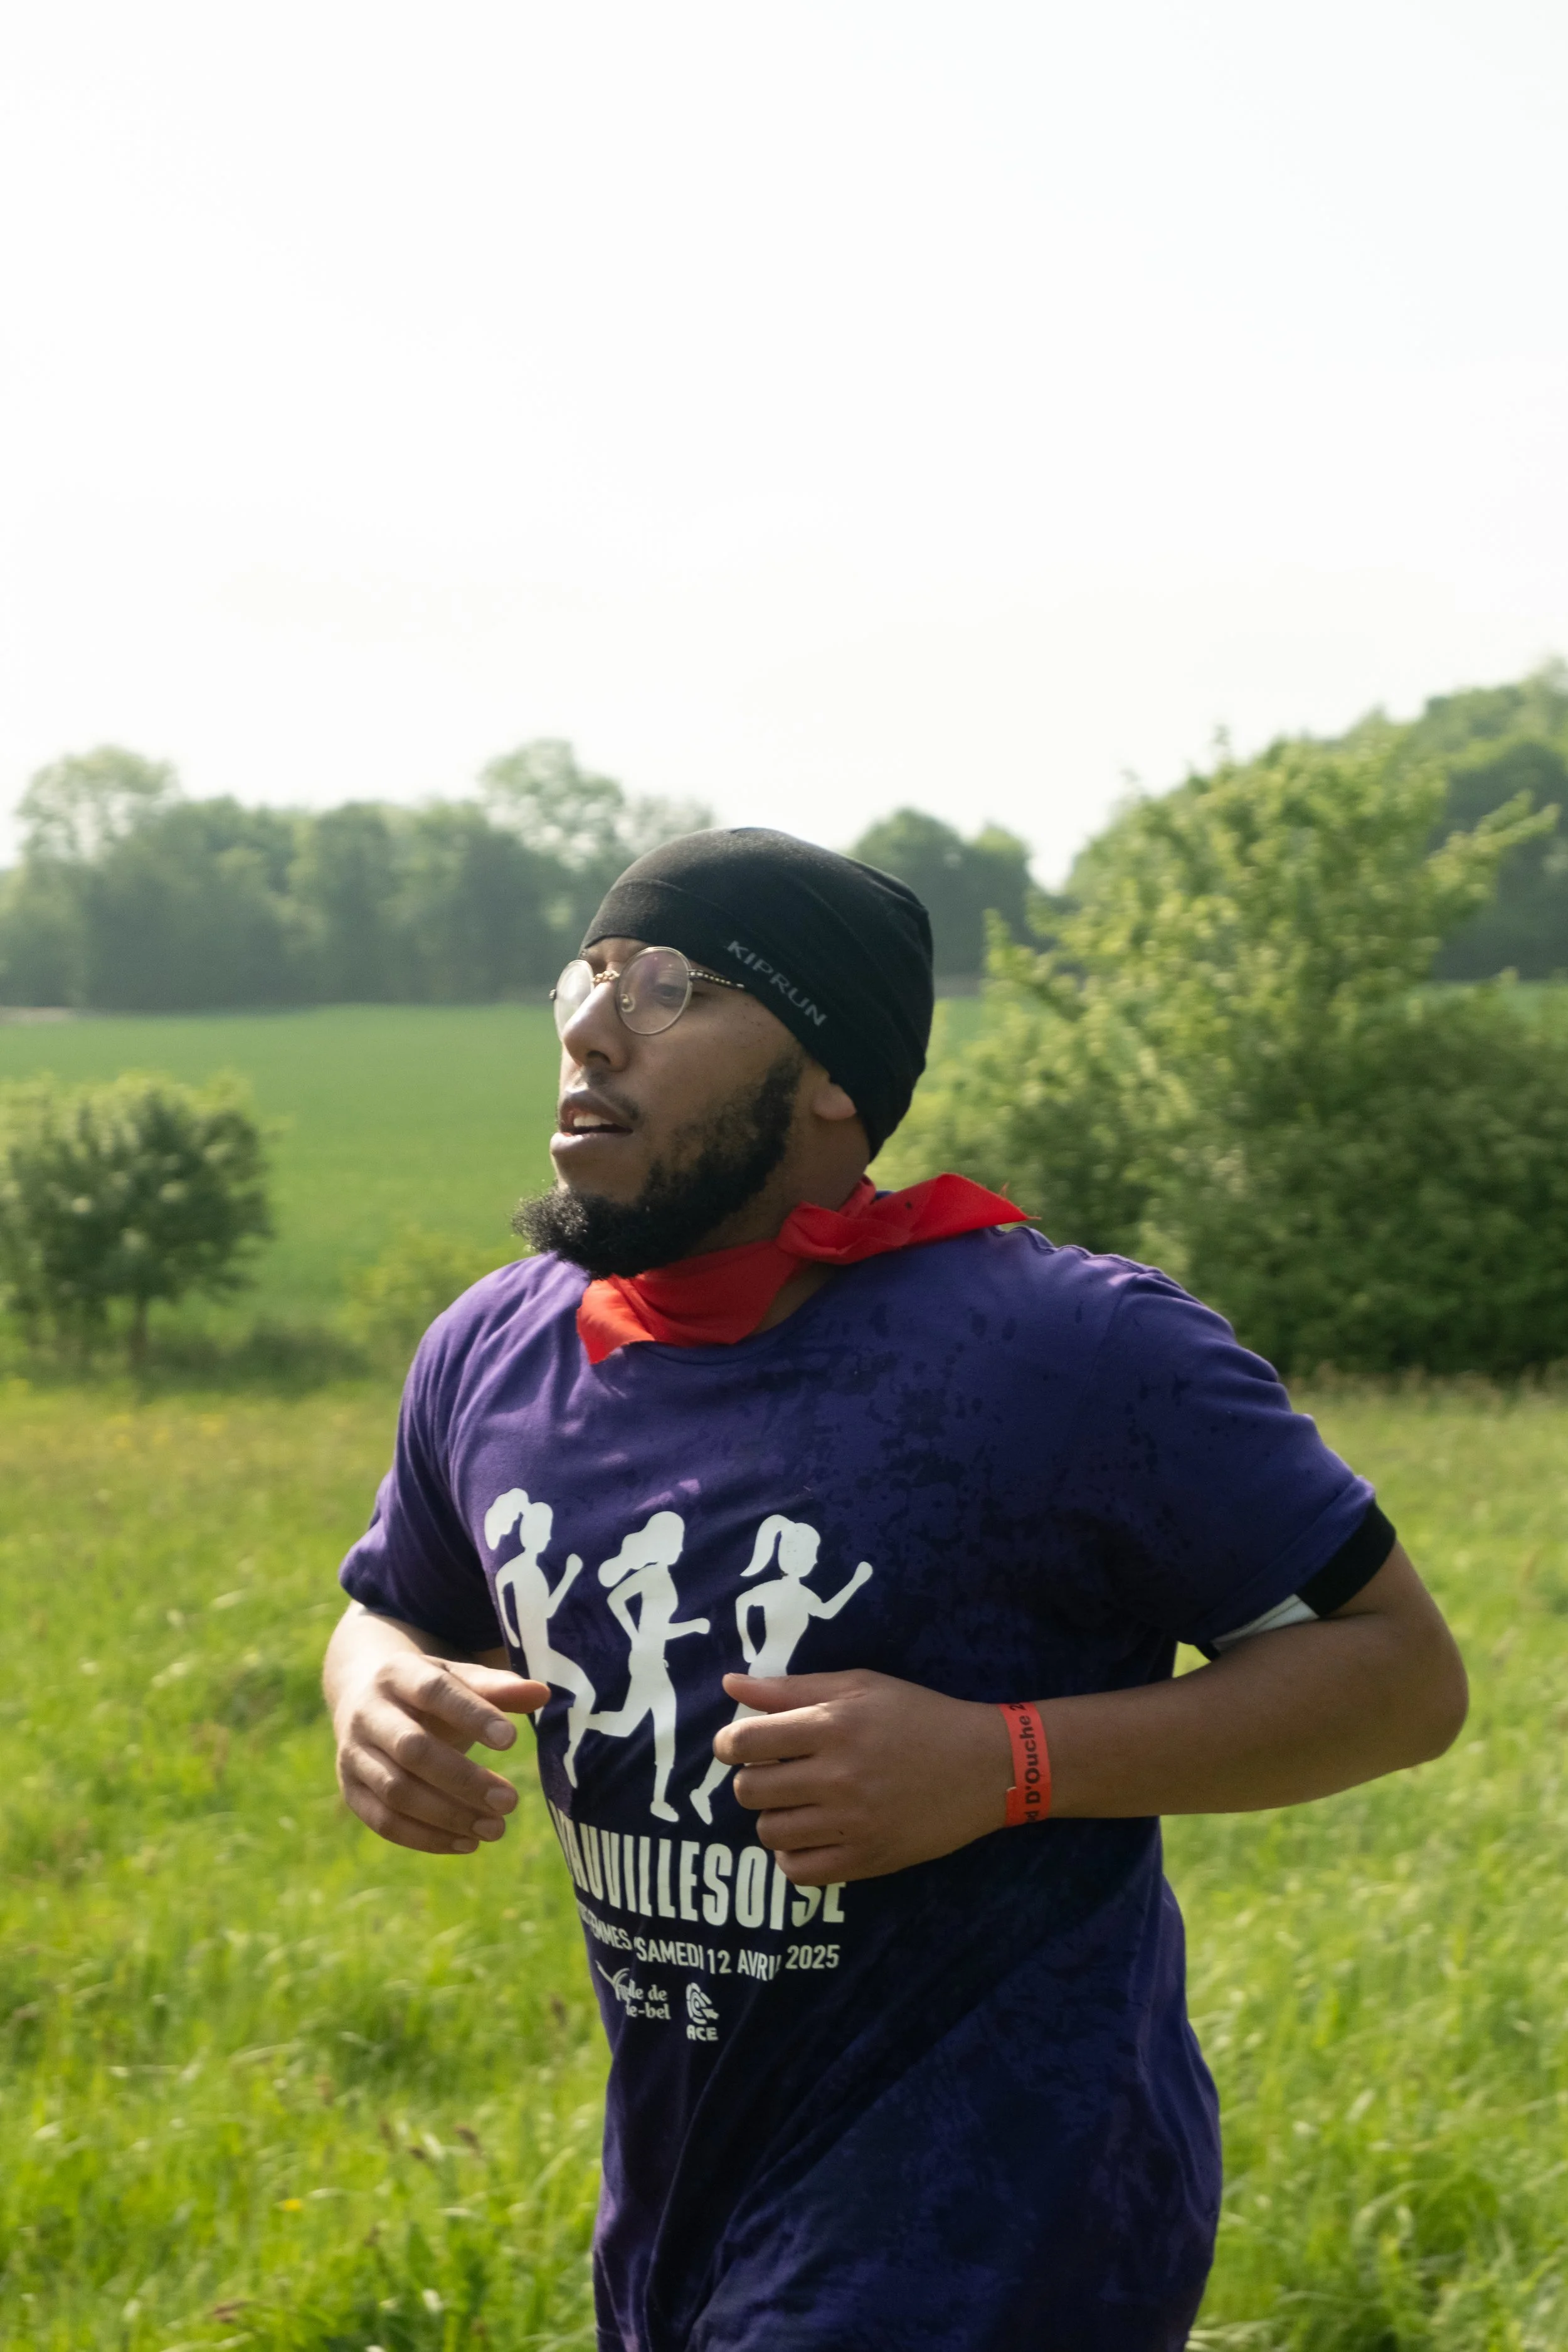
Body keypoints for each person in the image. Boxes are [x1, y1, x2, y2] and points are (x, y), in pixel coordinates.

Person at [323, 827, 1468, 2352]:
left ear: (830, 1079)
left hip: (997, 2225)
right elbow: (392, 1606)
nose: (590, 1026)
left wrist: (1007, 1763)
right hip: (680, 2211)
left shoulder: (1066, 1351)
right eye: (586, 977)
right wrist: (372, 1689)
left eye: (670, 989)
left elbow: (1399, 1676)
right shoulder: (495, 1348)